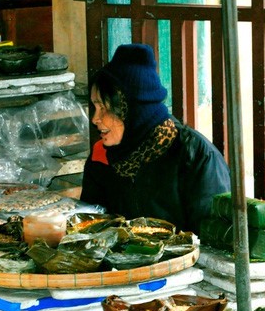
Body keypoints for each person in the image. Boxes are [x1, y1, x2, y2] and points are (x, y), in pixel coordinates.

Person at [80, 43, 231, 235]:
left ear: (132, 110)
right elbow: (91, 223)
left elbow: (213, 236)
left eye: (104, 108)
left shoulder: (195, 155)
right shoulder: (102, 155)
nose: (95, 119)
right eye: (95, 107)